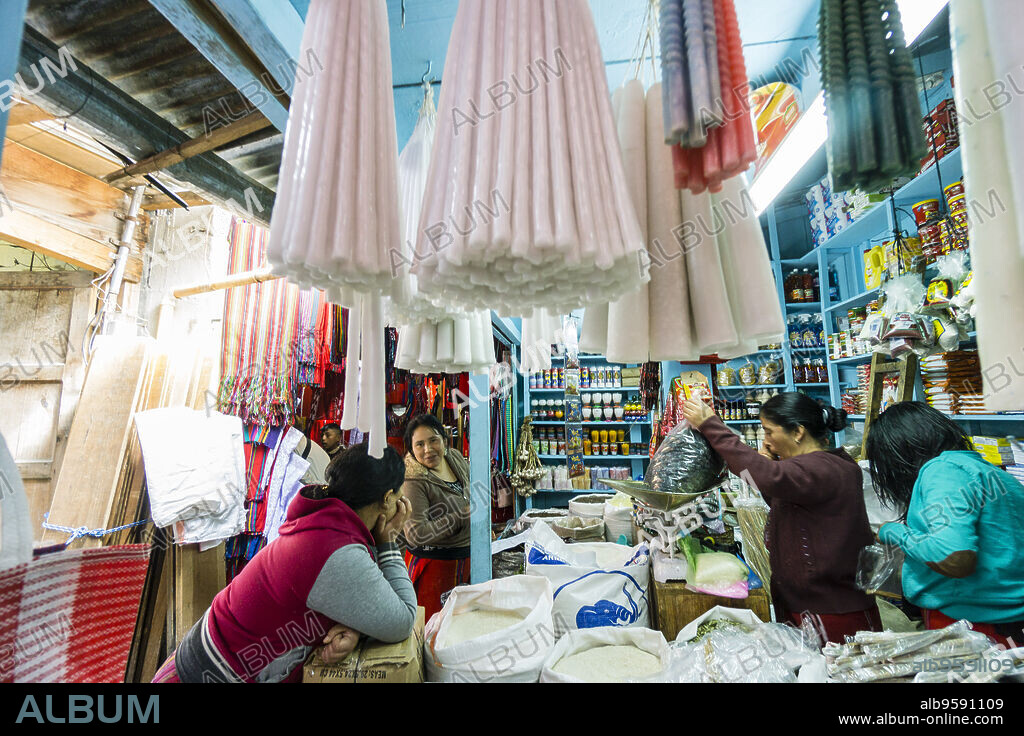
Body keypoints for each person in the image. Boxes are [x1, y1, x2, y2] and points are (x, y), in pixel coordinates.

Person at [152, 443, 416, 683]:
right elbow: (402, 620)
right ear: (387, 498)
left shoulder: (327, 524)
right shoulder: (335, 549)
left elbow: (365, 600)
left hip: (205, 655)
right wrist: (389, 543)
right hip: (209, 673)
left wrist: (355, 626)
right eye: (400, 495)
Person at [682, 391, 880, 643]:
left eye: (768, 431)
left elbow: (768, 477)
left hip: (831, 609)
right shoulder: (812, 469)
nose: (766, 441)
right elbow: (776, 494)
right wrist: (763, 463)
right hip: (806, 603)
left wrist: (711, 425)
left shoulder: (826, 468)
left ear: (798, 432)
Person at [865, 402, 1024, 647]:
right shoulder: (991, 472)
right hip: (1006, 622)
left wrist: (892, 531)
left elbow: (953, 557)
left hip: (975, 627)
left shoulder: (943, 469)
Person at [400, 413, 471, 620]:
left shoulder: (454, 458)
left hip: (464, 560)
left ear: (444, 440)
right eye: (419, 445)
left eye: (433, 441)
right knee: (436, 628)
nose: (428, 449)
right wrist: (460, 517)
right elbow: (416, 534)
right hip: (435, 569)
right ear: (411, 450)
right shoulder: (413, 480)